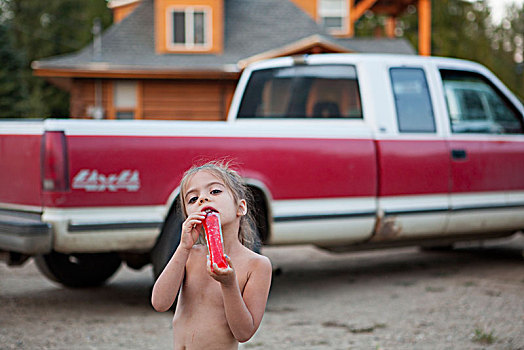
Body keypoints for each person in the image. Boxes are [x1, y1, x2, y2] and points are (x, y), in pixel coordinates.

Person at [151, 161, 272, 350]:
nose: (202, 200)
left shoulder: (256, 265)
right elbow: (160, 303)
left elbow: (244, 333)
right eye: (192, 199)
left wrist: (229, 284)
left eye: (214, 191)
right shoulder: (189, 255)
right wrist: (183, 247)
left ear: (241, 207)